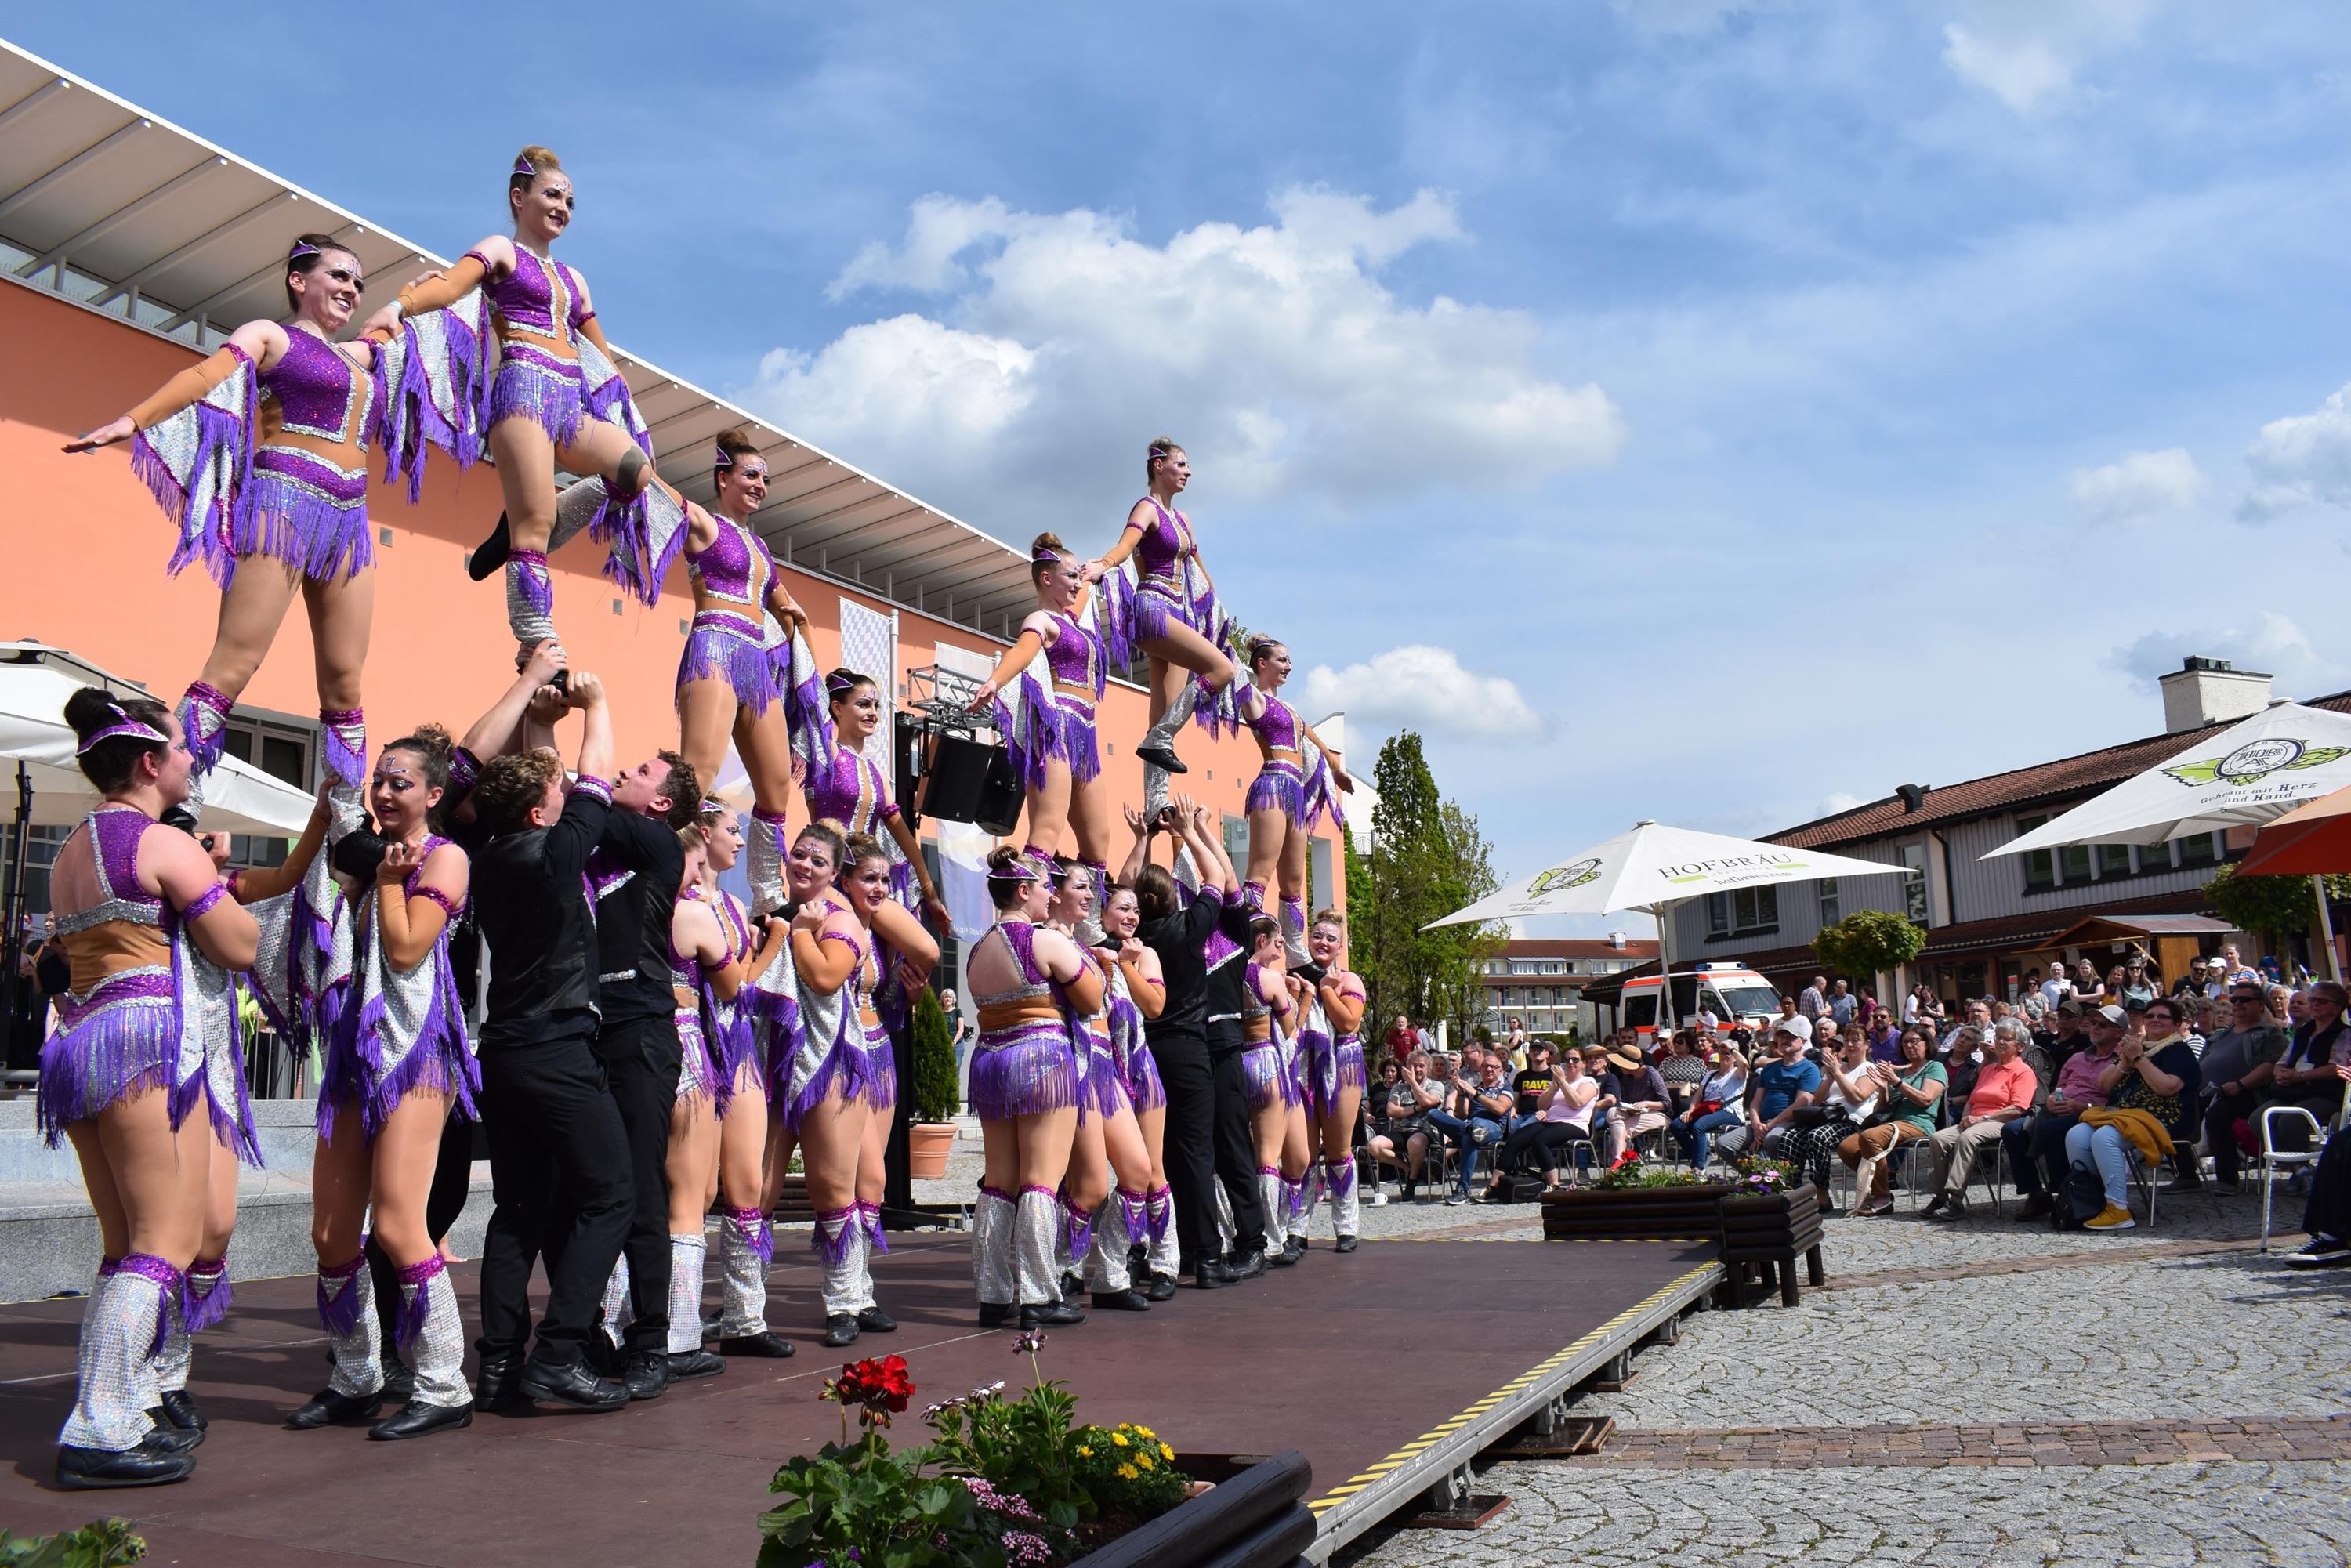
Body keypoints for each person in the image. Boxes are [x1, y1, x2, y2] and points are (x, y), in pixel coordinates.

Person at [67, 236, 391, 820]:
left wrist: (405, 307)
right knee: (235, 661)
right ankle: (172, 799)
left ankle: (345, 824)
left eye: (360, 284)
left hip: (350, 521)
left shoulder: (364, 358)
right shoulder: (270, 335)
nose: (352, 289)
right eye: (340, 275)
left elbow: (414, 323)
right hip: (283, 503)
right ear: (298, 280)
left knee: (346, 685)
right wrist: (133, 419)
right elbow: (206, 375)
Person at [41, 690, 259, 1489]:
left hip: (83, 1044)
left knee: (123, 1247)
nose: (189, 758)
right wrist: (223, 883)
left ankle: (125, 1405)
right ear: (148, 763)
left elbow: (58, 959)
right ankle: (98, 1429)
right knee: (165, 1244)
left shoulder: (75, 846)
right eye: (179, 748)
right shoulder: (161, 843)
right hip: (147, 1043)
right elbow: (237, 947)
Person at [366, 148, 687, 653]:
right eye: (552, 194)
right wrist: (396, 306)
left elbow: (602, 362)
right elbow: (451, 288)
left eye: (570, 201)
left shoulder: (574, 279)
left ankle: (516, 522)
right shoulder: (501, 249)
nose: (563, 206)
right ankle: (534, 638)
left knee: (634, 470)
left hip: (570, 400)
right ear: (520, 198)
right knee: (534, 532)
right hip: (521, 396)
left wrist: (623, 408)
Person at [288, 729, 477, 1440]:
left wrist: (391, 881)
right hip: (351, 1057)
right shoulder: (366, 864)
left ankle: (443, 1383)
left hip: (418, 1057)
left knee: (400, 1224)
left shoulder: (446, 858)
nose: (387, 791)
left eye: (402, 782)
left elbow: (405, 948)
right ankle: (356, 1374)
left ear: (433, 794)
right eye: (380, 780)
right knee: (332, 1233)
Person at [467, 674, 632, 1415]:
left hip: (502, 1052)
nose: (568, 792)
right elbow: (594, 777)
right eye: (554, 790)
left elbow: (561, 783)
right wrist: (596, 706)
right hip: (560, 1048)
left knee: (518, 1209)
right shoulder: (553, 854)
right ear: (539, 811)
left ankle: (500, 1364)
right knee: (611, 1194)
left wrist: (540, 721)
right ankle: (561, 1351)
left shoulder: (488, 851)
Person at [586, 750, 699, 1393]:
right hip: (586, 1031)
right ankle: (588, 1329)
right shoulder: (592, 839)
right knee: (587, 1188)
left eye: (641, 770)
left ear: (660, 803)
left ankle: (651, 1339)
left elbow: (586, 797)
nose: (624, 768)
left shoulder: (656, 843)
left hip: (641, 1034)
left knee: (641, 1189)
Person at [671, 429, 816, 913]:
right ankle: (666, 869)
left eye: (765, 479)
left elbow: (788, 610)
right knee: (698, 772)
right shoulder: (704, 525)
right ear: (723, 478)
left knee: (776, 786)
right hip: (715, 646)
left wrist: (807, 672)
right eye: (750, 475)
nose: (760, 485)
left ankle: (767, 897)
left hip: (755, 662)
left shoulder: (761, 550)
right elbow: (650, 486)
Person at [1126, 801, 1262, 1287]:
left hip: (1222, 1046)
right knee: (1189, 1153)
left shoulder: (1232, 930)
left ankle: (1251, 1242)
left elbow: (1226, 882)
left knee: (1231, 1149)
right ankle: (1191, 1247)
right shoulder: (1185, 932)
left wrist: (1200, 830)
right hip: (1192, 1049)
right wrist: (1189, 833)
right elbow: (1209, 882)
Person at [964, 846, 1097, 1329]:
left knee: (998, 1180)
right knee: (1041, 1178)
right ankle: (1039, 1293)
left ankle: (994, 1293)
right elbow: (1093, 996)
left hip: (991, 1059)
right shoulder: (1041, 940)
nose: (1049, 895)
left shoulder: (980, 948)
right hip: (1041, 1057)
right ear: (1023, 890)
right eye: (1044, 886)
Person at [689, 803, 796, 1359]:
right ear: (702, 834)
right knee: (694, 1191)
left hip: (739, 1048)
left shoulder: (731, 903)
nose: (737, 841)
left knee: (746, 1186)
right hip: (695, 1048)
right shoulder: (681, 902)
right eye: (732, 831)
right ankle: (660, 1319)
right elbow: (735, 984)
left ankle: (744, 1316)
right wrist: (775, 939)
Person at [973, 534, 1128, 891]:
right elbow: (1023, 651)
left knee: (1098, 844)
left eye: (1077, 576)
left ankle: (1087, 931)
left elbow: (1099, 574)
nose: (1076, 582)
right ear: (1046, 579)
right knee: (1047, 829)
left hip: (1086, 736)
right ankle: (1022, 914)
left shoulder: (1074, 618)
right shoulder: (1041, 620)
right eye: (1069, 576)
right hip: (1057, 730)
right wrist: (996, 681)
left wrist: (1104, 563)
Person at [1081, 438, 1238, 780]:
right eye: (1181, 464)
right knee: (1223, 670)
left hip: (1181, 613)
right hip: (1154, 608)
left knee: (1164, 710)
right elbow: (1125, 547)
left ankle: (1155, 803)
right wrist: (1102, 566)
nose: (1188, 471)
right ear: (1158, 466)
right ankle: (1159, 738)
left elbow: (1200, 572)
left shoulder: (1182, 519)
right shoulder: (1146, 508)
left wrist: (1215, 612)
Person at [834, 835, 940, 1337]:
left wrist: (907, 994)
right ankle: (840, 1301)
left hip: (878, 1054)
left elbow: (891, 1007)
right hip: (837, 1059)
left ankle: (862, 1293)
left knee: (873, 1180)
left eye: (884, 879)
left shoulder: (880, 936)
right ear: (845, 880)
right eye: (869, 878)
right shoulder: (828, 922)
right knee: (843, 1181)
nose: (879, 888)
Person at [1048, 860, 1158, 1311]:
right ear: (1053, 893)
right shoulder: (1046, 939)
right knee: (1090, 1188)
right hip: (1074, 1066)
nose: (1091, 895)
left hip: (1107, 1067)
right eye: (1082, 887)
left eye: (1093, 889)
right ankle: (1057, 1270)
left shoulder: (1087, 942)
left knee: (1138, 1173)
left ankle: (1112, 1276)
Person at [1231, 639, 1352, 956]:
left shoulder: (1291, 709)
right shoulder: (1254, 699)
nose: (1288, 666)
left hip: (1295, 793)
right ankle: (1245, 944)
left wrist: (1336, 768)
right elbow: (1228, 663)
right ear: (1262, 664)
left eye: (1289, 660)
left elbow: (1310, 734)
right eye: (1282, 660)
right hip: (1272, 785)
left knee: (1295, 884)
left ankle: (1296, 954)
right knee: (1260, 873)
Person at [1096, 880, 1179, 1294]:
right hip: (1099, 1075)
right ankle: (1073, 1265)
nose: (1131, 916)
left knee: (1152, 1170)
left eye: (1135, 910)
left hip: (1141, 1070)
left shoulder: (1145, 954)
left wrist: (1126, 964)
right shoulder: (1088, 952)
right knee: (1090, 1178)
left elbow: (1156, 1006)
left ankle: (1163, 1263)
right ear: (1102, 911)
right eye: (1122, 908)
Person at [2064, 995, 2202, 1231]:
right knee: (2076, 1135)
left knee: (2105, 1137)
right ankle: (2093, 1200)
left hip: (2167, 1117)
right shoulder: (2139, 1047)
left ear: (2177, 1024)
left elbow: (2166, 1088)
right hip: (2125, 1115)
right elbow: (2104, 1084)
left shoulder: (2179, 1052)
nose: (2155, 1020)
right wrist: (2125, 1063)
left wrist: (2138, 1058)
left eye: (2163, 1016)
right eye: (2150, 1016)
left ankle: (2119, 1208)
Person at [1236, 918, 1310, 1251]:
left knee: (1240, 1150)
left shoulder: (1230, 974)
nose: (1281, 946)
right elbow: (1290, 1031)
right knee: (1267, 1156)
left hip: (1237, 1063)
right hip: (1267, 1061)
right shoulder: (1268, 979)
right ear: (1261, 939)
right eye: (1278, 940)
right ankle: (1271, 1237)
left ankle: (1238, 1232)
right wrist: (1302, 997)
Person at [2010, 1004, 2123, 1222]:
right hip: (2059, 1108)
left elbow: (2117, 1100)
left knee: (2050, 1129)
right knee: (2013, 1130)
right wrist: (2052, 1100)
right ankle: (2036, 1194)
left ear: (2119, 1033)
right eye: (2093, 1023)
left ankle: (2066, 1194)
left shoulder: (2122, 1059)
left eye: (2103, 1025)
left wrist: (2082, 1107)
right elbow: (2057, 1088)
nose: (2095, 1028)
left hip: (2095, 1113)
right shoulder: (2077, 1058)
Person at [1297, 910, 1369, 1251]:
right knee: (1304, 1155)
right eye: (1317, 935)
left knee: (1339, 1151)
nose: (1322, 942)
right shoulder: (1296, 978)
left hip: (1343, 1062)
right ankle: (1297, 1229)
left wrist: (1325, 991)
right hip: (1306, 1065)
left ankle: (1346, 1227)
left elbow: (1349, 1023)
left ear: (1340, 947)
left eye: (1330, 938)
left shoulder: (1349, 981)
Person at [1922, 1017, 2038, 1219]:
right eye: (1998, 1037)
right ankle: (1939, 1196)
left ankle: (1955, 1199)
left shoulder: (2023, 1071)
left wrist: (1981, 1119)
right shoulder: (1989, 1069)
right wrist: (1967, 1117)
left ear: (2020, 1046)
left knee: (1967, 1138)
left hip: (2001, 1122)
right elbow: (1972, 1099)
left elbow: (2019, 1108)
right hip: (1976, 1119)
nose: (2000, 1042)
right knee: (1938, 1139)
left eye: (2007, 1039)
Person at [2191, 980, 2291, 1193]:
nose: (2238, 1004)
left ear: (2260, 1005)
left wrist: (2240, 1084)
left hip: (2250, 1093)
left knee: (2219, 1114)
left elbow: (2270, 1066)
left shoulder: (2269, 1033)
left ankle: (2227, 1179)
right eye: (2234, 999)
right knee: (2179, 1110)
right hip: (2206, 1091)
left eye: (2245, 1000)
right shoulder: (2221, 1034)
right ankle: (2185, 1173)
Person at [1838, 1027, 1946, 1217]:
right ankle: (1880, 1188)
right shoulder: (1901, 1073)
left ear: (1926, 1044)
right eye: (1905, 1042)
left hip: (1918, 1123)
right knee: (1847, 1147)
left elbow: (1926, 1100)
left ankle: (1883, 1197)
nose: (1910, 1046)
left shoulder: (1934, 1067)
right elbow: (1881, 1111)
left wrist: (1896, 1082)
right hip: (1892, 1123)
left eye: (1915, 1041)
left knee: (1870, 1137)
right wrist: (1882, 1090)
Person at [1783, 1028, 1878, 1209]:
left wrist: (1838, 1074)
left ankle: (1822, 1193)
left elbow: (1857, 1098)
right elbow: (1818, 1100)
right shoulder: (1839, 1067)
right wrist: (1829, 1077)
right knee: (1790, 1137)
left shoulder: (1869, 1069)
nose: (1850, 1045)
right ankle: (1792, 1188)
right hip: (1827, 1116)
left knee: (1817, 1137)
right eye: (1847, 1041)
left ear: (1867, 1045)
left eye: (1855, 1040)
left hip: (1851, 1120)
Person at [2259, 979, 2351, 1154]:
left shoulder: (2344, 1034)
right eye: (2313, 1000)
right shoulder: (2303, 1031)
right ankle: (2296, 1168)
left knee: (2291, 1119)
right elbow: (2283, 1060)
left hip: (2326, 1094)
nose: (2315, 1004)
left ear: (2338, 1008)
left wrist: (2300, 1076)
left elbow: (2336, 1068)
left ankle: (2303, 1168)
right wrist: (2280, 1073)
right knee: (2259, 1118)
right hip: (2294, 1090)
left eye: (2322, 1001)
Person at [1488, 1050, 1598, 1192]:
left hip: (1575, 1125)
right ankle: (1493, 1186)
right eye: (1567, 1059)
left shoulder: (1588, 1082)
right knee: (1516, 1138)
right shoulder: (1557, 1081)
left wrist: (1563, 1082)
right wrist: (1554, 1088)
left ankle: (1554, 1185)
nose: (1570, 1063)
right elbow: (1541, 1105)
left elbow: (1576, 1102)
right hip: (1551, 1122)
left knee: (1540, 1139)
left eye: (1575, 1060)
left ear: (1583, 1064)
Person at [1714, 1019, 1821, 1162]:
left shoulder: (1809, 1069)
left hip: (1790, 1123)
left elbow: (1800, 1105)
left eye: (1790, 1037)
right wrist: (1757, 1125)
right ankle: (1757, 1178)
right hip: (1761, 1123)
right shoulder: (1769, 1068)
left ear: (1802, 1042)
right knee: (1723, 1144)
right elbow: (1755, 1103)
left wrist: (1769, 1126)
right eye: (1782, 1037)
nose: (1785, 1040)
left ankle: (1784, 1178)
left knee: (1772, 1140)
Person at [1426, 1047, 1514, 1204]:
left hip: (1493, 1127)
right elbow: (1462, 1113)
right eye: (1485, 1067)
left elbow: (1500, 1109)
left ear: (1500, 1071)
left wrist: (1474, 1094)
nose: (1488, 1069)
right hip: (1470, 1125)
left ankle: (1463, 1190)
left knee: (1471, 1136)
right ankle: (1470, 1130)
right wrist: (1461, 1093)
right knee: (1433, 1114)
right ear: (1480, 1070)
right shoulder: (1478, 1087)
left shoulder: (1505, 1088)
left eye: (1493, 1067)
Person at [1667, 1040, 1749, 1171]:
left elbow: (1744, 1063)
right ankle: (1693, 1152)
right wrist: (1690, 1110)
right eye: (1722, 1053)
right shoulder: (1711, 1074)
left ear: (1735, 1056)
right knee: (1676, 1125)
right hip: (1707, 1109)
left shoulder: (1737, 1073)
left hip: (1729, 1111)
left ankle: (1698, 1167)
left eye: (1728, 1054)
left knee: (1699, 1127)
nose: (1724, 1056)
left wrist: (1731, 1050)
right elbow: (1698, 1095)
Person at [1370, 1056, 1436, 1196]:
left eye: (1421, 1066)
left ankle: (1411, 1182)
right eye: (1413, 1066)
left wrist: (1412, 1082)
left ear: (1428, 1069)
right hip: (1399, 1130)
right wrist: (1417, 1109)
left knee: (1415, 1142)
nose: (1417, 1069)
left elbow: (1427, 1102)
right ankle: (1410, 1169)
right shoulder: (1398, 1087)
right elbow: (1391, 1111)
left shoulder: (1435, 1086)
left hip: (1423, 1130)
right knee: (1373, 1146)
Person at [1597, 1046, 1670, 1168]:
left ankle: (1618, 1161)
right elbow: (1626, 1100)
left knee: (1621, 1131)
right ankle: (1620, 1159)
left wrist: (1646, 1103)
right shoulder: (1626, 1078)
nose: (1619, 1066)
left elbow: (1667, 1104)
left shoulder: (1651, 1074)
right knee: (1612, 1112)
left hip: (1658, 1115)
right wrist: (1630, 1109)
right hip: (1636, 1113)